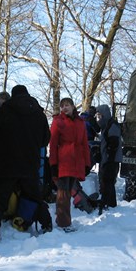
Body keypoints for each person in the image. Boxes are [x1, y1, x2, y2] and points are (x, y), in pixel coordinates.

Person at [0, 85, 53, 242]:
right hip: (30, 163)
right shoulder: (38, 113)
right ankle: (47, 224)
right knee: (34, 196)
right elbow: (45, 139)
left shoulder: (5, 110)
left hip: (6, 162)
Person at [49, 98, 91, 232]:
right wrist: (53, 164)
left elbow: (85, 144)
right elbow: (53, 144)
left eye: (67, 105)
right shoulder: (58, 121)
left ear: (73, 106)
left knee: (68, 191)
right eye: (62, 106)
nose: (64, 108)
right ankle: (63, 223)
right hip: (63, 160)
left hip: (76, 161)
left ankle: (63, 220)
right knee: (63, 193)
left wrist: (86, 163)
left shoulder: (80, 122)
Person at [95, 105, 122, 212]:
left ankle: (107, 203)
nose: (99, 118)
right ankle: (110, 203)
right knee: (107, 181)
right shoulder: (106, 126)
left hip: (111, 159)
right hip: (107, 158)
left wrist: (109, 158)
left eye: (100, 115)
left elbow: (113, 143)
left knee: (108, 180)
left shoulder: (112, 126)